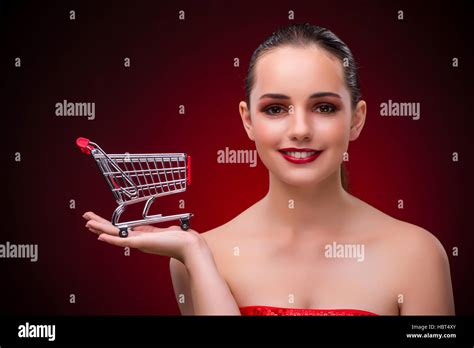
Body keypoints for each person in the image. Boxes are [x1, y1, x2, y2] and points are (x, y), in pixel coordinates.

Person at [83, 23, 455, 316]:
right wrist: (194, 251)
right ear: (248, 121)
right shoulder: (197, 257)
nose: (300, 130)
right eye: (276, 109)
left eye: (324, 107)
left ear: (356, 120)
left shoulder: (418, 254)